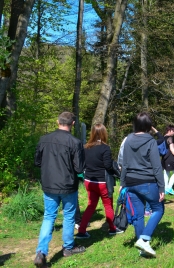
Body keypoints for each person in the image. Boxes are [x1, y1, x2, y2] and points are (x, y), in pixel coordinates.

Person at [34, 112, 86, 267]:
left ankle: (41, 252)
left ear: (58, 121)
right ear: (73, 124)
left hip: (49, 184)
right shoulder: (75, 142)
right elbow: (79, 167)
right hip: (68, 185)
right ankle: (68, 248)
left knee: (49, 216)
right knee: (69, 216)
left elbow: (37, 161)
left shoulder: (44, 139)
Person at [120, 112, 165, 257]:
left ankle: (142, 249)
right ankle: (144, 239)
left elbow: (124, 164)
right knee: (158, 209)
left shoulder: (128, 139)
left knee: (138, 215)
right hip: (147, 182)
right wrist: (162, 187)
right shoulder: (150, 140)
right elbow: (156, 166)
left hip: (130, 182)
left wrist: (122, 183)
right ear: (149, 126)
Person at [76, 124, 123, 239]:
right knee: (108, 205)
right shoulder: (105, 148)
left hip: (89, 181)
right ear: (104, 133)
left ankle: (81, 231)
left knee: (91, 206)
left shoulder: (85, 147)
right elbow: (107, 165)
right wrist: (115, 168)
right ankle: (112, 229)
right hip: (102, 182)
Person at [154, 125, 174, 195]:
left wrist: (152, 127)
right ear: (170, 130)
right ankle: (169, 187)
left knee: (166, 172)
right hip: (170, 157)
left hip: (164, 157)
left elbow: (157, 132)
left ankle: (165, 188)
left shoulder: (163, 137)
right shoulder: (170, 138)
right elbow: (172, 149)